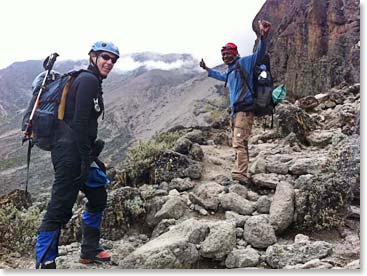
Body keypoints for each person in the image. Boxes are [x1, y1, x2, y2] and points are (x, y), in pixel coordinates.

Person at [35, 41, 120, 269]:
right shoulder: (88, 80)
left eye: (113, 59)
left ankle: (89, 250)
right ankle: (45, 263)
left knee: (98, 196)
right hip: (70, 153)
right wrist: (84, 160)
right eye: (105, 57)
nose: (109, 62)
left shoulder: (91, 81)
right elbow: (80, 121)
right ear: (93, 56)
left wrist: (90, 159)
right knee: (59, 208)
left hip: (81, 152)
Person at [200, 20, 271, 185]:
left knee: (239, 141)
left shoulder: (245, 62)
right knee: (240, 142)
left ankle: (240, 175)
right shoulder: (231, 70)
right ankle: (241, 171)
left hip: (244, 111)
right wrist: (207, 70)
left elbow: (260, 54)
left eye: (228, 53)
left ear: (235, 53)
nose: (225, 56)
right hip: (236, 112)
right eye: (223, 54)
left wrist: (264, 36)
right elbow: (221, 76)